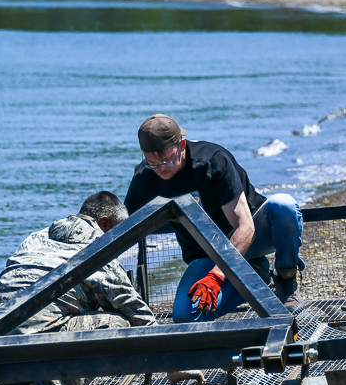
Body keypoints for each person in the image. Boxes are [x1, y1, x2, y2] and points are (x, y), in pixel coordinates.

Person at [0, 191, 162, 385]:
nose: (119, 246)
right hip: (33, 341)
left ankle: (12, 384)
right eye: (118, 235)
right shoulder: (98, 246)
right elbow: (132, 306)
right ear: (104, 224)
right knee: (119, 322)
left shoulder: (36, 237)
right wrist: (169, 354)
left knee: (47, 314)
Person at [123, 114, 304, 322]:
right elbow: (125, 226)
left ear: (181, 144)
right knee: (185, 316)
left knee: (284, 205)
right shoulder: (145, 177)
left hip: (254, 235)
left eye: (167, 159)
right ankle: (258, 276)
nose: (161, 168)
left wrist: (217, 275)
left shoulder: (213, 161)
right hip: (205, 254)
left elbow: (246, 228)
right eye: (153, 163)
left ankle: (286, 279)